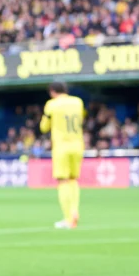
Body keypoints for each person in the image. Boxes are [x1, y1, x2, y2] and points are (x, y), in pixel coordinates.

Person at [39, 81, 85, 229]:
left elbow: (43, 127)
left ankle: (67, 218)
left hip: (61, 146)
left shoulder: (51, 104)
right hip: (78, 145)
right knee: (73, 179)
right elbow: (81, 120)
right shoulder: (78, 102)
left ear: (52, 91)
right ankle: (74, 210)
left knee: (62, 181)